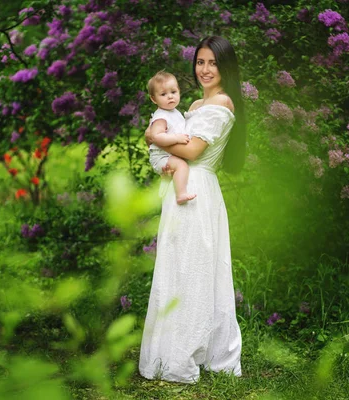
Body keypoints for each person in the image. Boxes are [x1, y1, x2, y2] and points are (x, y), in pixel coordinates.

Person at [139, 36, 247, 384]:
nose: (205, 69)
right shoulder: (197, 104)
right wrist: (162, 140)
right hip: (183, 189)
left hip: (198, 190)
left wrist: (155, 138)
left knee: (197, 268)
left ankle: (193, 350)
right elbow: (175, 141)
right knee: (179, 267)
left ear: (224, 67)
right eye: (200, 62)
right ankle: (174, 349)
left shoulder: (221, 104)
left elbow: (192, 152)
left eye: (213, 63)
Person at [147, 71, 197, 205]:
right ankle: (181, 194)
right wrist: (176, 138)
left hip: (168, 154)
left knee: (180, 165)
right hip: (160, 156)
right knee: (181, 165)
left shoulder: (174, 112)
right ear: (153, 99)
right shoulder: (161, 116)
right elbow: (156, 137)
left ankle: (168, 179)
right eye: (163, 94)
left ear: (179, 92)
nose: (170, 97)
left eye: (173, 92)